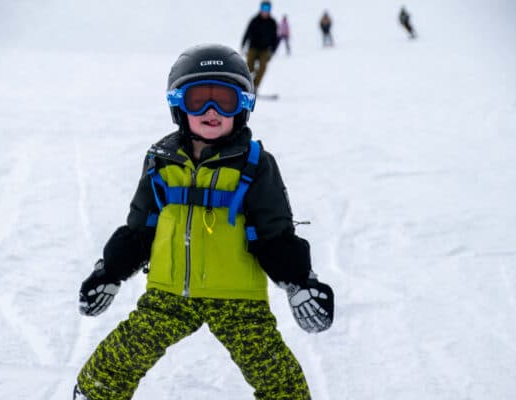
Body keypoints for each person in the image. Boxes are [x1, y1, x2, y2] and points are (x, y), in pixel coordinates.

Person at [73, 43, 334, 400]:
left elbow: (275, 235)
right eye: (199, 100)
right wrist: (110, 271)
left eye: (224, 101)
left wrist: (299, 282)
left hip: (239, 301)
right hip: (169, 295)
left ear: (242, 106)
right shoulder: (159, 163)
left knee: (280, 380)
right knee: (112, 365)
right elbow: (139, 230)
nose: (211, 111)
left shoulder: (256, 164)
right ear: (179, 105)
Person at [241, 1, 278, 92]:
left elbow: (275, 37)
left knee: (262, 67)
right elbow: (247, 32)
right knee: (249, 67)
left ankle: (255, 86)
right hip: (253, 47)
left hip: (265, 49)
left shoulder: (272, 22)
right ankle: (245, 86)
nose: (265, 11)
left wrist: (273, 49)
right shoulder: (255, 20)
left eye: (267, 9)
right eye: (263, 8)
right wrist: (243, 44)